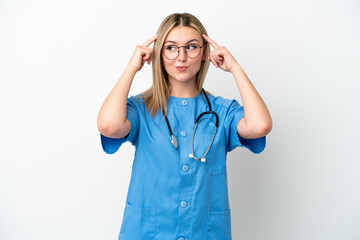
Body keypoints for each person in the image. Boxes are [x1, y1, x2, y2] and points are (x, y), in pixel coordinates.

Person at [97, 12, 272, 240]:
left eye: (191, 47)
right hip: (147, 232)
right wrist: (132, 68)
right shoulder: (141, 108)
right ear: (159, 54)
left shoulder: (221, 111)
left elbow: (260, 125)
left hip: (204, 232)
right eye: (171, 48)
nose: (181, 57)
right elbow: (109, 126)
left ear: (203, 54)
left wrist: (235, 69)